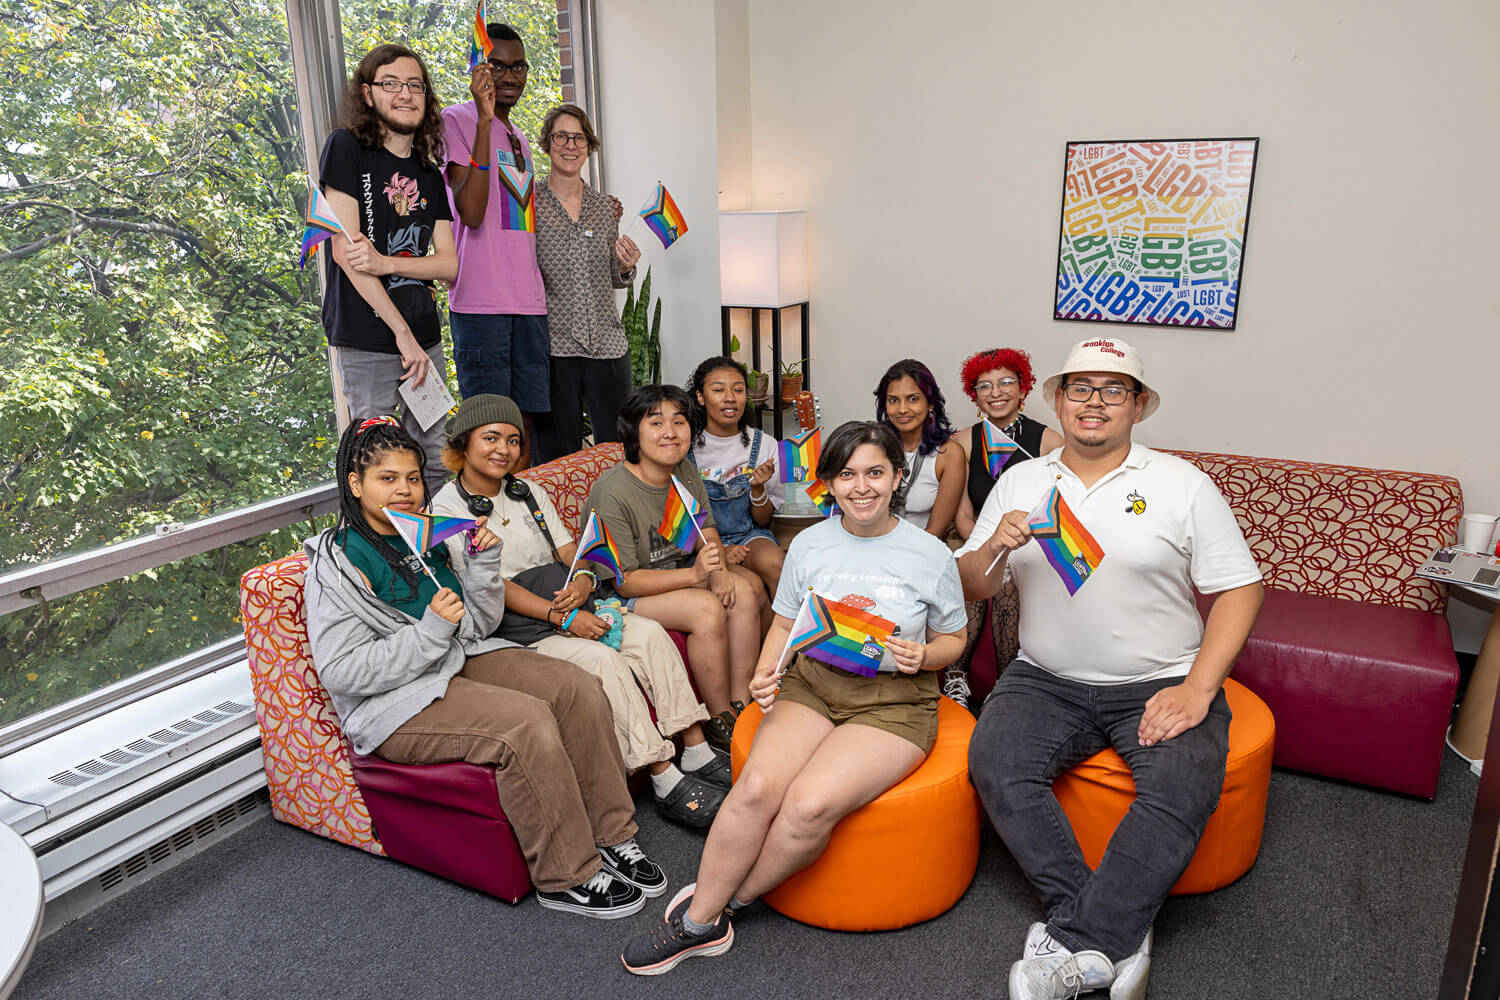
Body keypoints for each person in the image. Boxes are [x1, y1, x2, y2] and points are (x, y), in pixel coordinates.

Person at [954, 338, 1264, 1000]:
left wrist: (1198, 687)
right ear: (1059, 400)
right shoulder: (1021, 480)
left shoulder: (1181, 484)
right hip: (1044, 678)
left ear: (1139, 406)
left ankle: (1077, 943)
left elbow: (1241, 589)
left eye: (1113, 389)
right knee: (996, 763)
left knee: (1182, 785)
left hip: (1158, 678)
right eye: (1080, 388)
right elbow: (971, 587)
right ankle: (1109, 932)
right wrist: (996, 549)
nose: (1094, 403)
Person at [620, 421, 968, 975]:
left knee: (808, 805)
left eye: (875, 473)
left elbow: (954, 636)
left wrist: (924, 656)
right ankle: (694, 923)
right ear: (828, 482)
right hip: (814, 684)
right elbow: (785, 622)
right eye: (847, 474)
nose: (862, 487)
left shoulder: (930, 554)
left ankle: (726, 906)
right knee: (756, 786)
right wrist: (765, 670)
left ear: (896, 477)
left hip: (893, 702)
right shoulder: (808, 543)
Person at [303, 416, 667, 919]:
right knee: (526, 723)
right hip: (394, 705)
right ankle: (566, 875)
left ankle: (613, 834)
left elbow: (478, 626)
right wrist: (429, 632)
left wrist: (479, 569)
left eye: (412, 478)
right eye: (387, 479)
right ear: (355, 484)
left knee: (576, 686)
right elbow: (342, 672)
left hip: (460, 659)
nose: (404, 491)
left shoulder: (425, 535)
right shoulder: (335, 563)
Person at [430, 394, 729, 827]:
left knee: (649, 635)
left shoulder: (526, 490)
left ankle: (697, 748)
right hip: (520, 628)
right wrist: (562, 617)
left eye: (514, 440)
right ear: (463, 444)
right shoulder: (446, 509)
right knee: (603, 660)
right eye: (490, 437)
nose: (504, 449)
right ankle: (663, 775)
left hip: (569, 596)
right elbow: (492, 585)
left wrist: (586, 579)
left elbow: (573, 552)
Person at [583, 385, 767, 752]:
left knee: (746, 590)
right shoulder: (613, 492)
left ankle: (740, 703)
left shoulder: (682, 470)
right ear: (633, 431)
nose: (670, 432)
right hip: (623, 596)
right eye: (656, 422)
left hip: (678, 569)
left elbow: (705, 527)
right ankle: (718, 720)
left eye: (679, 422)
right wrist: (698, 576)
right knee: (707, 607)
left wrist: (719, 570)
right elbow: (626, 581)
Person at [318, 43, 457, 496]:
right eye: (391, 84)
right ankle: (378, 560)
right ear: (368, 92)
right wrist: (402, 335)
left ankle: (437, 555)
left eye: (415, 85)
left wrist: (386, 262)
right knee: (374, 461)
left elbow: (449, 265)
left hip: (424, 339)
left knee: (436, 453)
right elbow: (345, 253)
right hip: (368, 339)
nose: (405, 94)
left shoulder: (429, 173)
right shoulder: (346, 148)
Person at [441, 23, 550, 465]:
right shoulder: (456, 120)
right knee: (489, 429)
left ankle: (524, 521)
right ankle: (488, 523)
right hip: (480, 301)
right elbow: (469, 209)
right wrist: (485, 120)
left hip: (529, 302)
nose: (510, 76)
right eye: (498, 66)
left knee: (524, 427)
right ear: (479, 69)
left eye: (518, 66)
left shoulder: (521, 137)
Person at [943, 347, 1064, 708]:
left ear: (1023, 388)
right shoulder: (961, 443)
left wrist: (1012, 550)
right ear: (974, 395)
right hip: (979, 539)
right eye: (985, 386)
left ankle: (1007, 684)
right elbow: (962, 514)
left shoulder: (1049, 443)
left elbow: (1055, 511)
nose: (996, 393)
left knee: (1008, 580)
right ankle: (955, 680)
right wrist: (986, 547)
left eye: (1006, 382)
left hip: (1030, 545)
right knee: (973, 574)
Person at [533, 104, 641, 459]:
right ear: (547, 143)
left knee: (617, 451)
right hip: (554, 347)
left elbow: (613, 276)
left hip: (607, 347)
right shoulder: (529, 203)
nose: (570, 145)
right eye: (561, 136)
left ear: (589, 146)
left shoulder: (604, 208)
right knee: (556, 454)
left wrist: (625, 266)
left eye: (578, 137)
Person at [687, 356, 785, 609]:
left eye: (738, 390)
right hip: (697, 544)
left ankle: (794, 645)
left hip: (748, 535)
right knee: (750, 588)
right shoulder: (683, 446)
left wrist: (758, 489)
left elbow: (763, 520)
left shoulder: (765, 445)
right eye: (718, 390)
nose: (730, 397)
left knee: (777, 563)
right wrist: (721, 551)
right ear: (700, 397)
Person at [873, 359, 964, 539]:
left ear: (930, 403)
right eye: (893, 400)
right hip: (869, 545)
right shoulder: (872, 447)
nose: (902, 409)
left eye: (913, 399)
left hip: (922, 552)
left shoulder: (949, 454)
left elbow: (934, 534)